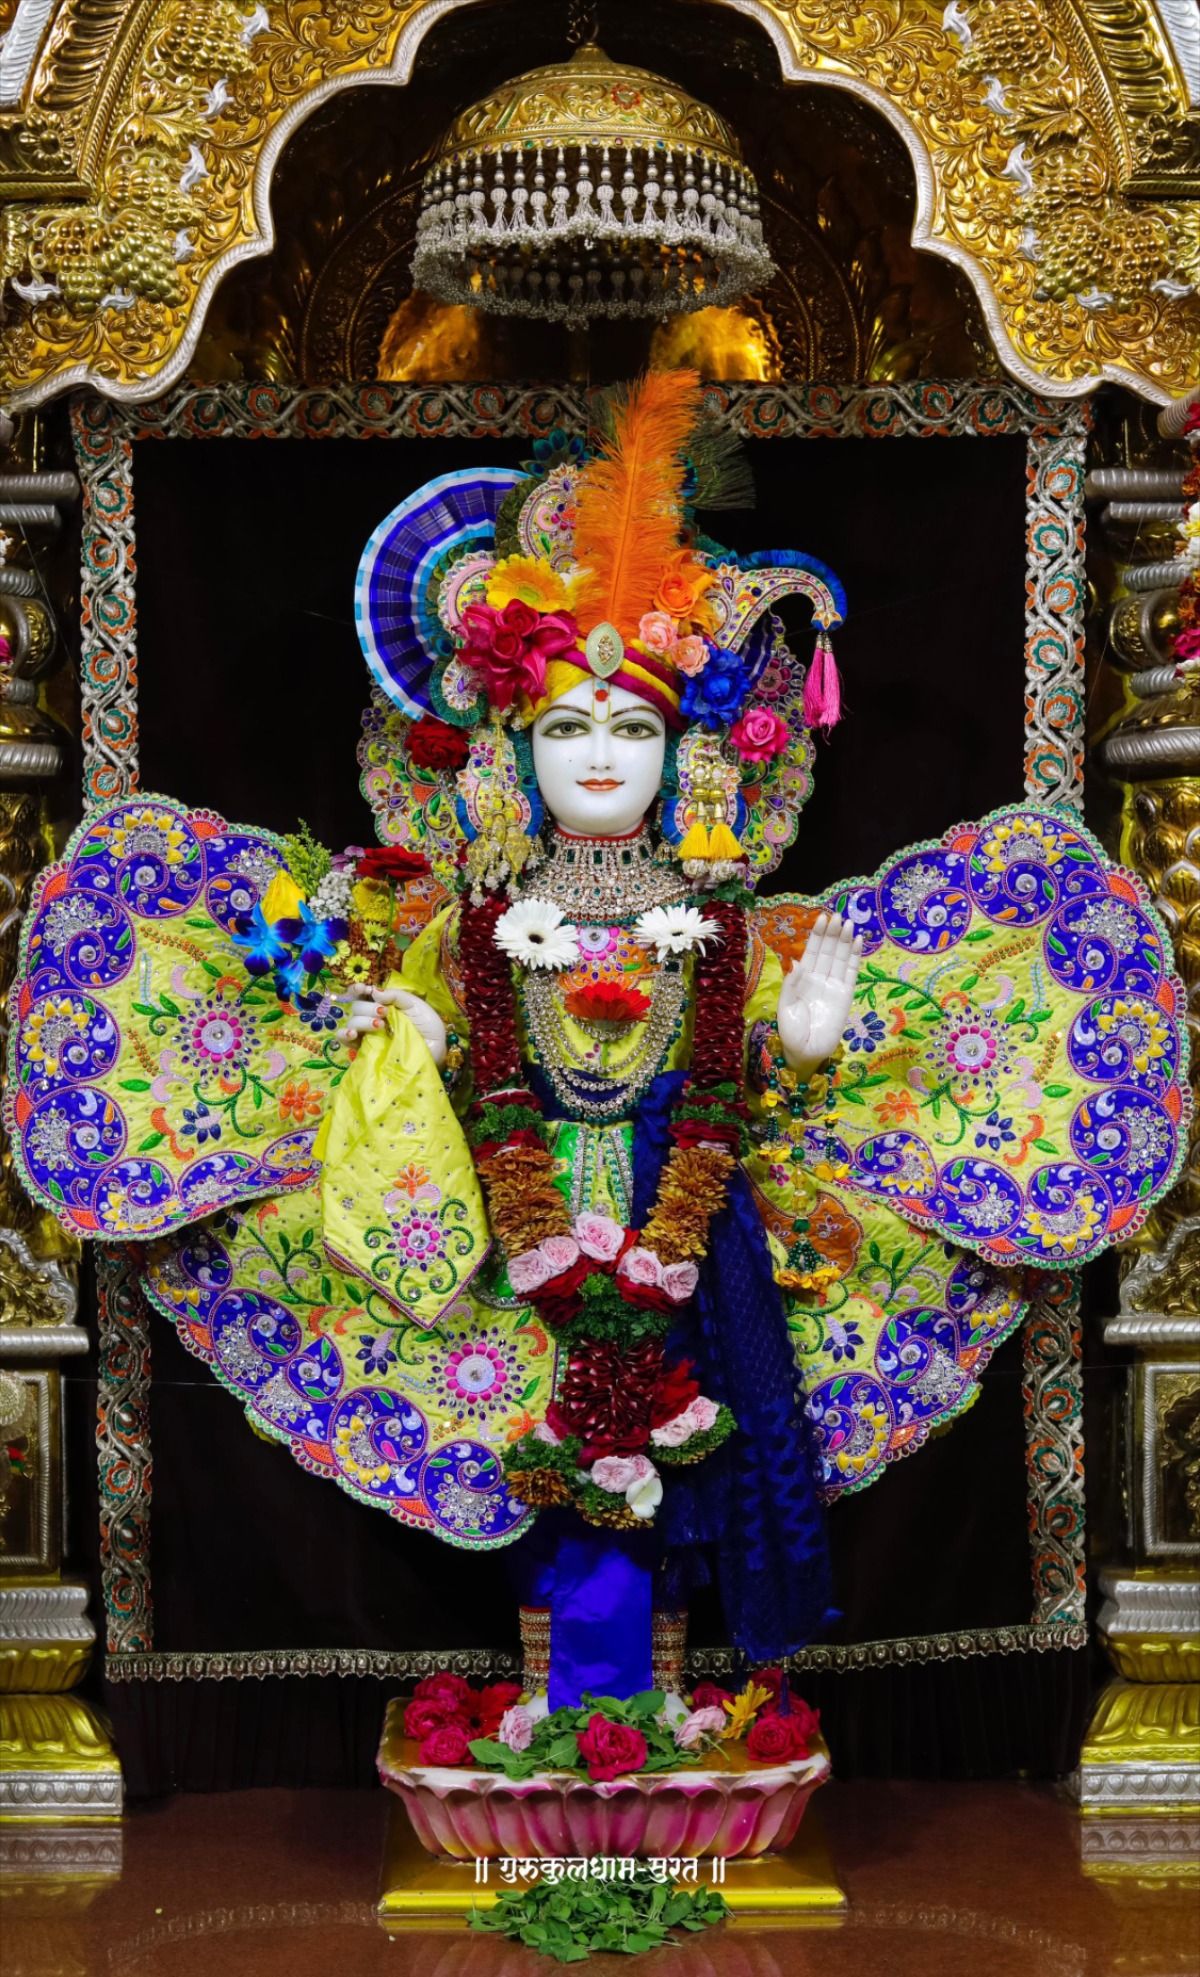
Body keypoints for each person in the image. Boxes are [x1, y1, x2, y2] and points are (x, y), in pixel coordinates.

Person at [8, 372, 1189, 1706]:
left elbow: (768, 1044)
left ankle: (659, 1716)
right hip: (520, 1233)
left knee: (686, 1475)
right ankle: (567, 1713)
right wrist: (391, 1025)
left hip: (695, 1217)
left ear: (684, 755)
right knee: (536, 1455)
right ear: (513, 757)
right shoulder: (471, 927)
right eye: (569, 728)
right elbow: (428, 1026)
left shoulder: (724, 928)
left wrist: (810, 1026)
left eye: (633, 726)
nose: (603, 756)